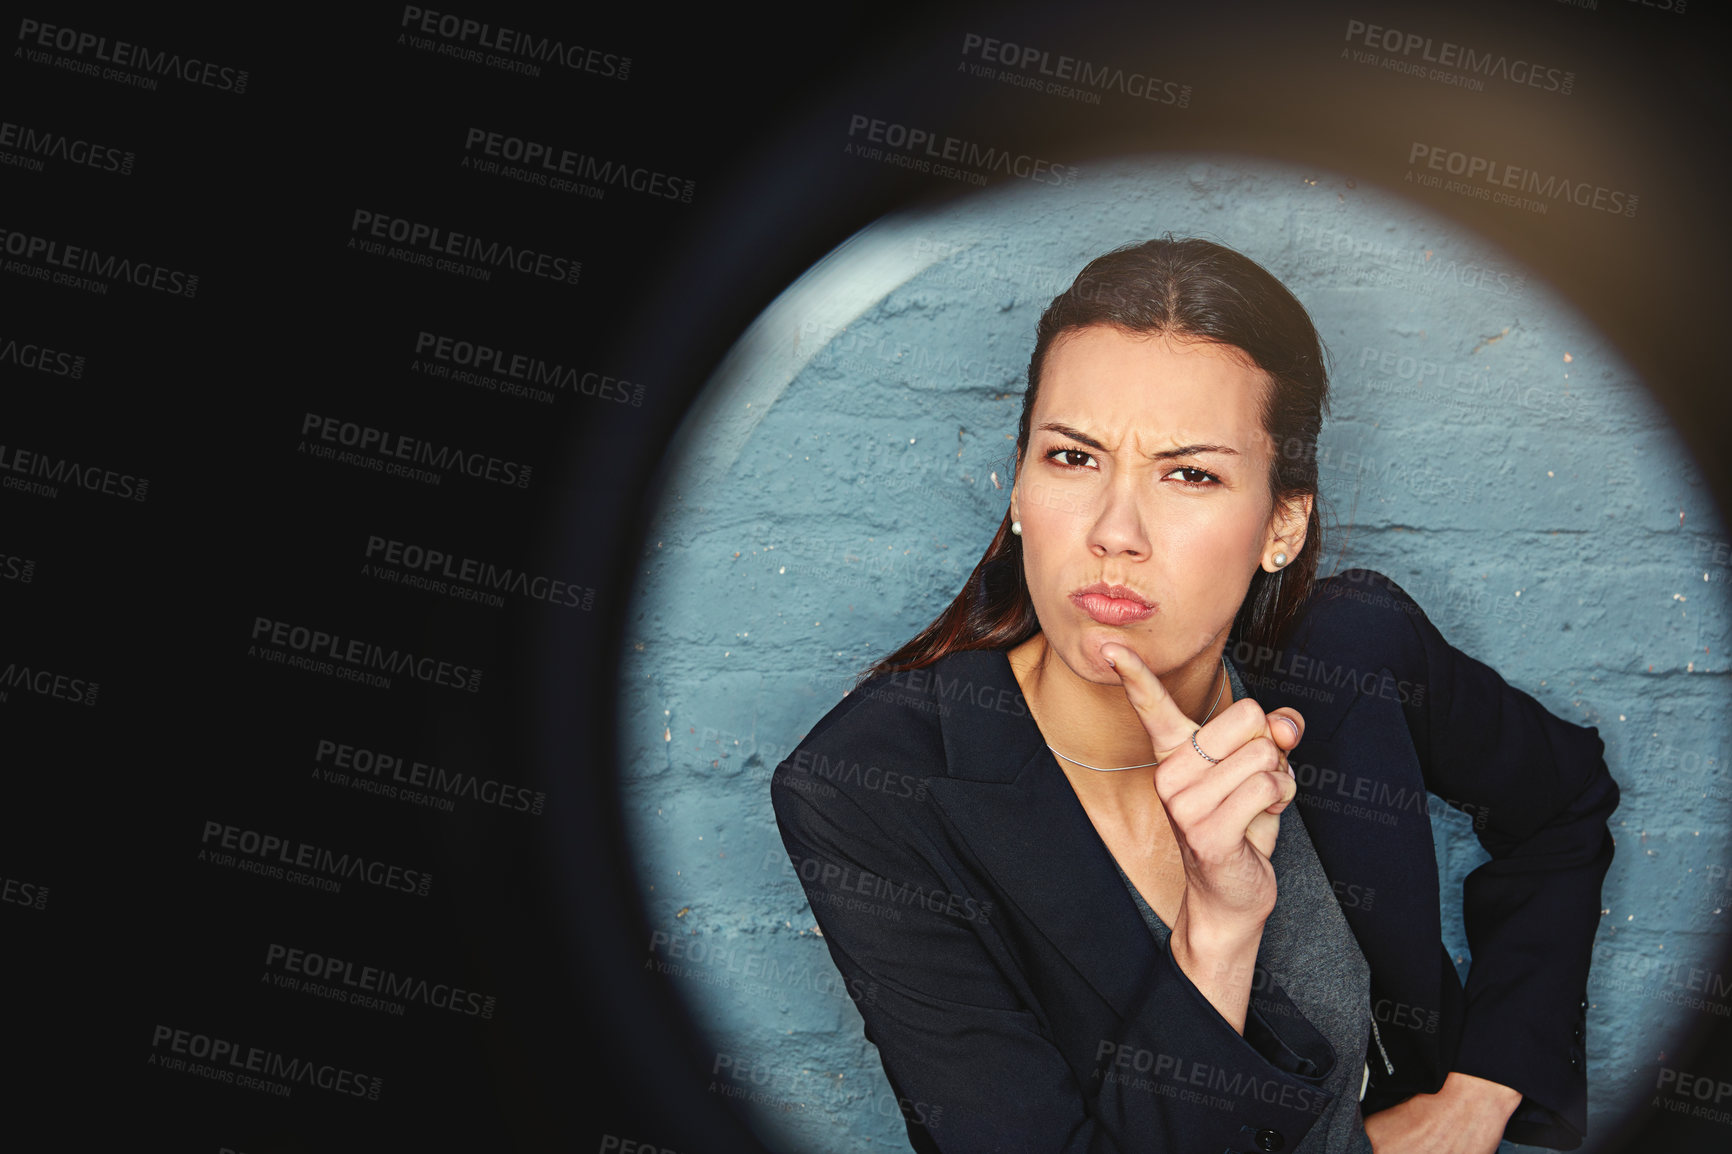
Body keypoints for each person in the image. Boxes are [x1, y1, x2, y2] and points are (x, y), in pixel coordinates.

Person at [769, 237, 1618, 1153]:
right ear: (1017, 484)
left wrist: (1477, 1096)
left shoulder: (1350, 656)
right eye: (1072, 459)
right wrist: (1219, 928)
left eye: (1191, 474)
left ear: (1281, 525)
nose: (1115, 531)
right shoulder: (870, 788)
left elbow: (1565, 806)